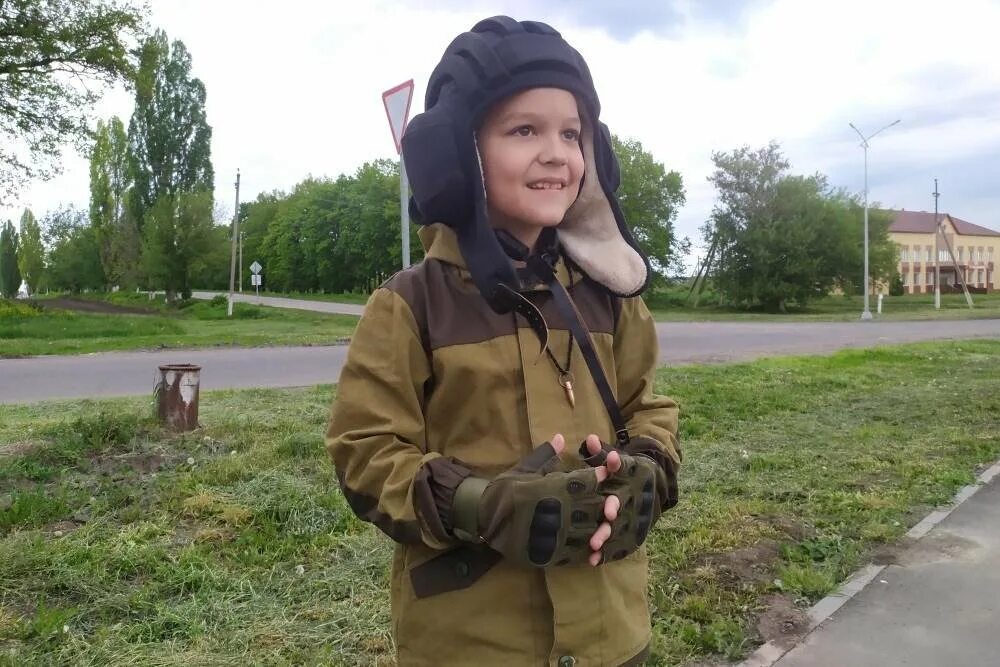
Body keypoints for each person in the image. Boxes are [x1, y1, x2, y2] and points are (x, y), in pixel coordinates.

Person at [326, 15, 680, 666]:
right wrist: (477, 503)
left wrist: (649, 470)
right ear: (458, 154)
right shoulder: (411, 306)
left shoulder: (609, 297)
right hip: (474, 641)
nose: (556, 152)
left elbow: (649, 403)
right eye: (524, 130)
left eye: (572, 134)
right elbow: (365, 451)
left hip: (611, 630)